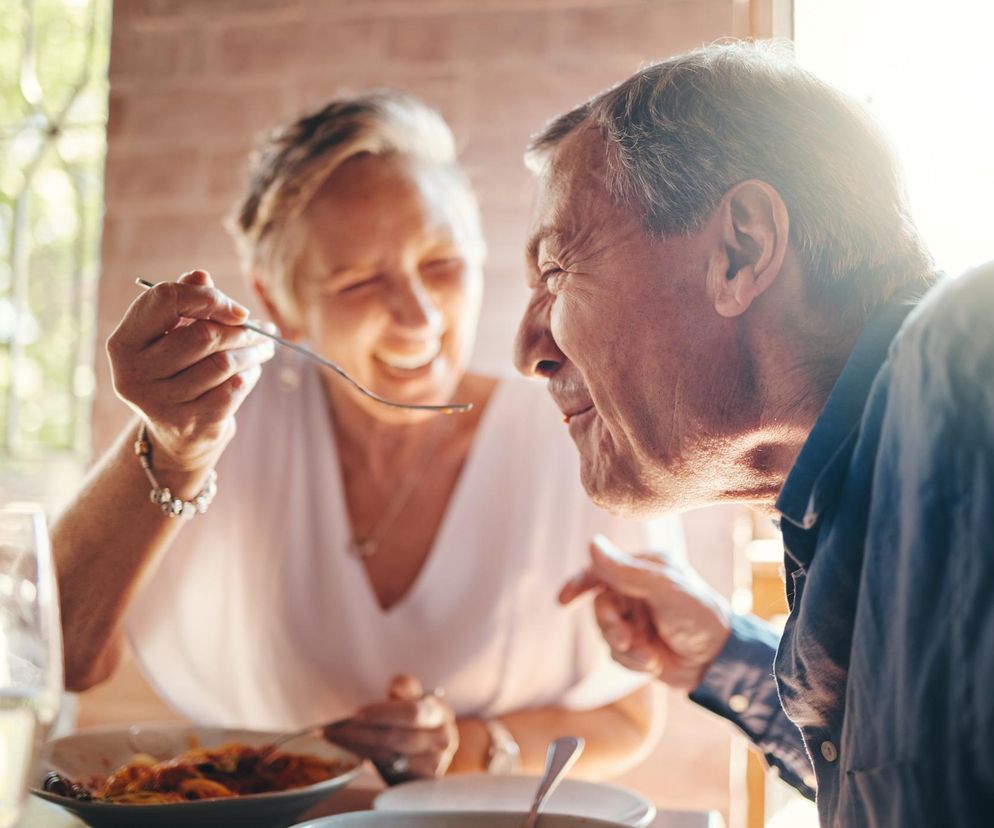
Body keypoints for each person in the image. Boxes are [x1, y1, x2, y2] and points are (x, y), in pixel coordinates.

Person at [53, 90, 682, 780]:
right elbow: (66, 655)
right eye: (359, 281)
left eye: (441, 265)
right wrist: (172, 451)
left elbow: (628, 719)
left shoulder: (578, 433)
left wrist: (462, 749)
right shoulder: (211, 420)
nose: (417, 314)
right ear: (277, 303)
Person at [514, 40, 994, 825]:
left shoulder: (966, 363)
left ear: (740, 250)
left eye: (556, 271)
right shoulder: (853, 490)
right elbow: (914, 777)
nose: (529, 349)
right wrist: (723, 657)